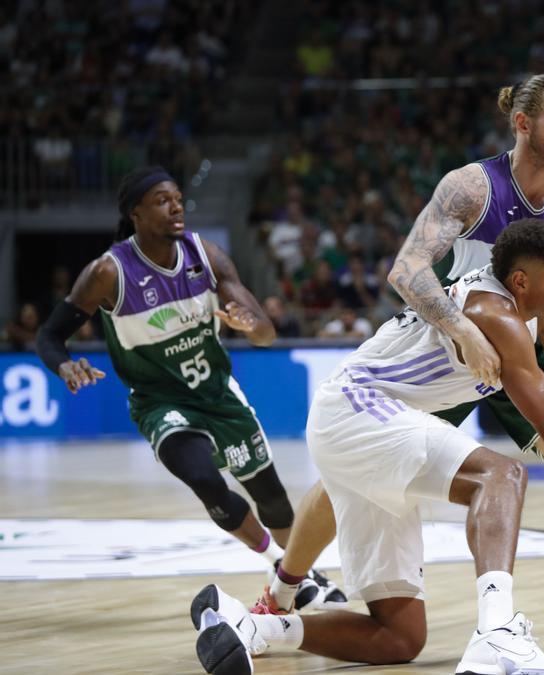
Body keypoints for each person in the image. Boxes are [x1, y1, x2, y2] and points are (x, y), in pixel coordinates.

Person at [262, 74, 544, 662]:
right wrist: (460, 328)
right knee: (353, 474)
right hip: (454, 343)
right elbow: (406, 270)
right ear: (523, 123)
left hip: (525, 343)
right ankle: (279, 596)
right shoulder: (470, 188)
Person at [191, 220, 544, 675]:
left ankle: (251, 627)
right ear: (519, 282)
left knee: (399, 638)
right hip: (357, 407)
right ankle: (495, 633)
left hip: (369, 424)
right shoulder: (492, 312)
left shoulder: (542, 316)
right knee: (502, 476)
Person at [34, 166, 342, 608]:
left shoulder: (207, 255)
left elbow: (267, 334)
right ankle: (284, 568)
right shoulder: (108, 272)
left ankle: (301, 571)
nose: (175, 206)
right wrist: (64, 366)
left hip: (218, 395)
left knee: (272, 499)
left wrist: (250, 326)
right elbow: (49, 336)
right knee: (204, 478)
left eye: (178, 198)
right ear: (136, 213)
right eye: (162, 200)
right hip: (160, 403)